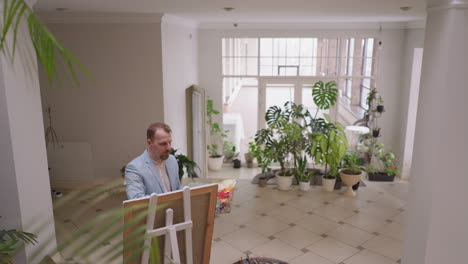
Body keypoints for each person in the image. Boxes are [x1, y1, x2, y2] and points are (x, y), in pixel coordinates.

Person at [124, 122, 181, 199]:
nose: (169, 148)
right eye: (163, 144)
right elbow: (136, 201)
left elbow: (177, 189)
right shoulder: (134, 168)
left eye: (170, 142)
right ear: (149, 143)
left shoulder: (172, 160)